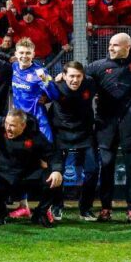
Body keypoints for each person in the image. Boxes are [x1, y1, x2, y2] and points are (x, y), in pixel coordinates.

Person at [85, 32, 131, 223]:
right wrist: (61, 76)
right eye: (110, 44)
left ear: (128, 46)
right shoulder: (98, 66)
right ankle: (105, 208)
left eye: (116, 45)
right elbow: (76, 75)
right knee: (107, 167)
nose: (111, 48)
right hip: (106, 125)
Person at [0, 108, 63, 228]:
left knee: (54, 180)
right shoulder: (0, 124)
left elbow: (52, 153)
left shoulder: (35, 135)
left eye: (13, 126)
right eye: (6, 124)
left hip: (28, 175)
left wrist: (56, 170)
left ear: (23, 125)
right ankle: (0, 213)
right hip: (4, 174)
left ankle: (40, 213)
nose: (8, 128)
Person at [48, 61, 100, 221]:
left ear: (83, 76)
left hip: (84, 133)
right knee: (57, 172)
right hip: (60, 134)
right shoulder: (55, 86)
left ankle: (85, 208)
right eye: (71, 76)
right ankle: (56, 207)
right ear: (64, 76)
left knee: (92, 170)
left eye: (78, 76)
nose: (75, 80)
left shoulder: (90, 83)